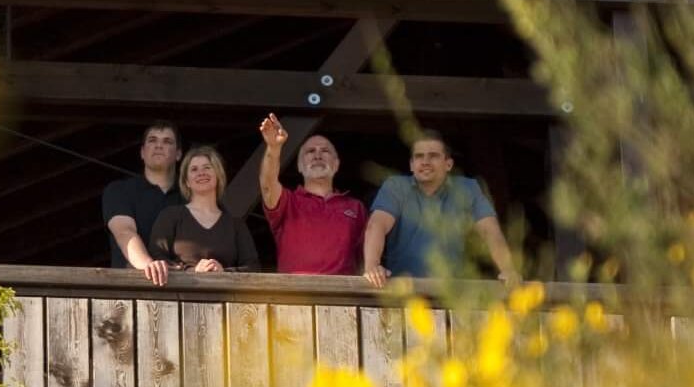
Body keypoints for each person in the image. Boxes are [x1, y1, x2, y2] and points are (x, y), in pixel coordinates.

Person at [363, 130, 519, 286]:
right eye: (419, 156)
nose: (425, 162)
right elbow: (377, 225)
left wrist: (508, 270)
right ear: (411, 165)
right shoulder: (395, 187)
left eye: (433, 156)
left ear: (448, 164)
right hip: (404, 291)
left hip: (453, 291)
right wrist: (372, 266)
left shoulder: (468, 188)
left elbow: (490, 231)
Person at [256, 113, 368, 276]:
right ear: (299, 166)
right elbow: (267, 186)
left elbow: (364, 260)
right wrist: (274, 147)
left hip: (342, 291)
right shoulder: (289, 201)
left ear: (336, 165)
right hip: (295, 291)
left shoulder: (356, 207)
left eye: (325, 151)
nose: (317, 155)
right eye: (310, 152)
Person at [147, 145, 260, 271]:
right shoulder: (170, 216)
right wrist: (191, 270)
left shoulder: (235, 224)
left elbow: (253, 267)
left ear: (218, 175)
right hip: (182, 284)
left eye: (207, 167)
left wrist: (224, 272)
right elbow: (156, 257)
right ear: (186, 182)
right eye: (194, 169)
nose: (201, 173)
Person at [101, 122, 183, 286]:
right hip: (130, 289)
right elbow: (124, 232)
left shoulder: (191, 195)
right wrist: (148, 265)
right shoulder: (120, 190)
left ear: (178, 154)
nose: (159, 145)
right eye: (152, 140)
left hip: (186, 287)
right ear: (142, 152)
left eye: (167, 141)